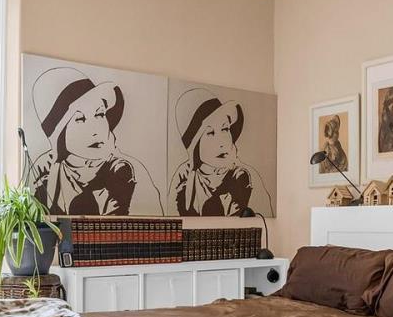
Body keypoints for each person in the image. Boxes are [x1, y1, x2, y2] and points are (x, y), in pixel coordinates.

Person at [27, 66, 161, 215]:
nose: (96, 129)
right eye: (80, 119)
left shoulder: (130, 173)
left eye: (100, 114)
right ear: (60, 135)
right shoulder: (43, 176)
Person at [170, 88, 271, 217]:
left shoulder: (246, 178)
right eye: (210, 133)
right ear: (195, 145)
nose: (222, 142)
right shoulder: (182, 178)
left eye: (225, 129)